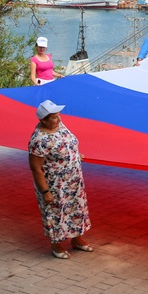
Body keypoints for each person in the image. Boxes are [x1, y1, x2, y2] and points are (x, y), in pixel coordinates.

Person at [28, 100, 92, 259]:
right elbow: (36, 168)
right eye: (54, 117)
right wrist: (45, 192)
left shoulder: (60, 125)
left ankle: (76, 239)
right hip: (55, 185)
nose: (59, 118)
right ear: (43, 120)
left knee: (76, 209)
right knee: (56, 213)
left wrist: (75, 154)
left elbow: (67, 143)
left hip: (73, 181)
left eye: (58, 115)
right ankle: (56, 245)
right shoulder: (39, 140)